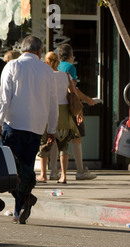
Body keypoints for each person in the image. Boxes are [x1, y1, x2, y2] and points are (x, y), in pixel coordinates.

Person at [0, 35, 58, 224]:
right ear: (39, 51)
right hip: (36, 127)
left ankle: (23, 202)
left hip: (13, 124)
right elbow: (53, 103)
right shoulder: (47, 71)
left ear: (22, 49)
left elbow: (4, 98)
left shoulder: (12, 66)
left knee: (9, 170)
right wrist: (52, 129)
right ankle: (19, 209)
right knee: (27, 169)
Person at [37, 52, 81, 184]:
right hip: (64, 112)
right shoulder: (66, 75)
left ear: (46, 62)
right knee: (63, 145)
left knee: (44, 143)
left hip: (49, 110)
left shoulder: (45, 76)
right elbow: (73, 93)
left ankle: (43, 174)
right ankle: (64, 176)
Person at [56, 43, 97, 180]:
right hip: (70, 107)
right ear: (71, 56)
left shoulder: (56, 66)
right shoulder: (70, 68)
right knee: (77, 137)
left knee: (59, 139)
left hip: (58, 107)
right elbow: (73, 89)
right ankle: (80, 170)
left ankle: (53, 171)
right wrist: (87, 99)